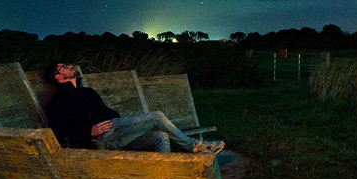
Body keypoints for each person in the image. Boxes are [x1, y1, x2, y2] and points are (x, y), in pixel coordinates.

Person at [42, 62, 224, 154]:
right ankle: (196, 146)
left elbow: (107, 114)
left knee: (160, 136)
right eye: (64, 67)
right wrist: (89, 131)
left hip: (117, 132)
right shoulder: (57, 102)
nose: (70, 66)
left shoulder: (87, 92)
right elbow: (59, 133)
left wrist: (121, 121)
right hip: (101, 141)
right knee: (157, 116)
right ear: (57, 77)